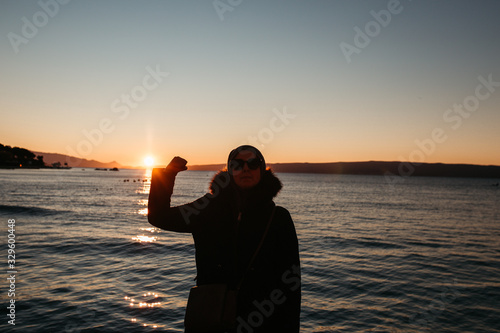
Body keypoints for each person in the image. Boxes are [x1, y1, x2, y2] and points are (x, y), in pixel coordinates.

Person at [148, 145, 301, 332]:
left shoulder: (278, 218)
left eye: (253, 163)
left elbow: (290, 283)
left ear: (261, 170)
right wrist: (167, 175)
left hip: (261, 322)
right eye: (237, 164)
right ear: (230, 170)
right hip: (211, 319)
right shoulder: (207, 209)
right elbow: (158, 216)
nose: (245, 169)